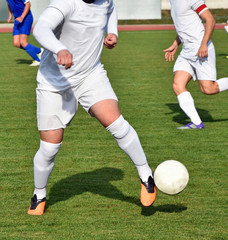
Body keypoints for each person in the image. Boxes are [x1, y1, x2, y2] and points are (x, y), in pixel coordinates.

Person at [27, 0, 156, 215]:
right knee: (49, 149)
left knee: (116, 123)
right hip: (53, 83)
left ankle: (146, 176)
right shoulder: (66, 3)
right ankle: (39, 193)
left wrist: (113, 32)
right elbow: (40, 28)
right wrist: (60, 48)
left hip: (90, 75)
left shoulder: (105, 1)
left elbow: (111, 8)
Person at [164, 0, 228, 130]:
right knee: (178, 85)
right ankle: (197, 123)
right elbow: (185, 25)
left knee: (208, 89)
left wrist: (204, 44)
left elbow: (210, 20)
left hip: (200, 48)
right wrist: (176, 44)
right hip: (186, 51)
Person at [6, 0, 43, 66]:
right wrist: (10, 16)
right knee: (16, 43)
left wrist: (22, 17)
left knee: (23, 42)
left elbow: (28, 4)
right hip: (17, 19)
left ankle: (38, 60)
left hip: (26, 18)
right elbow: (9, 4)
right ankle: (39, 50)